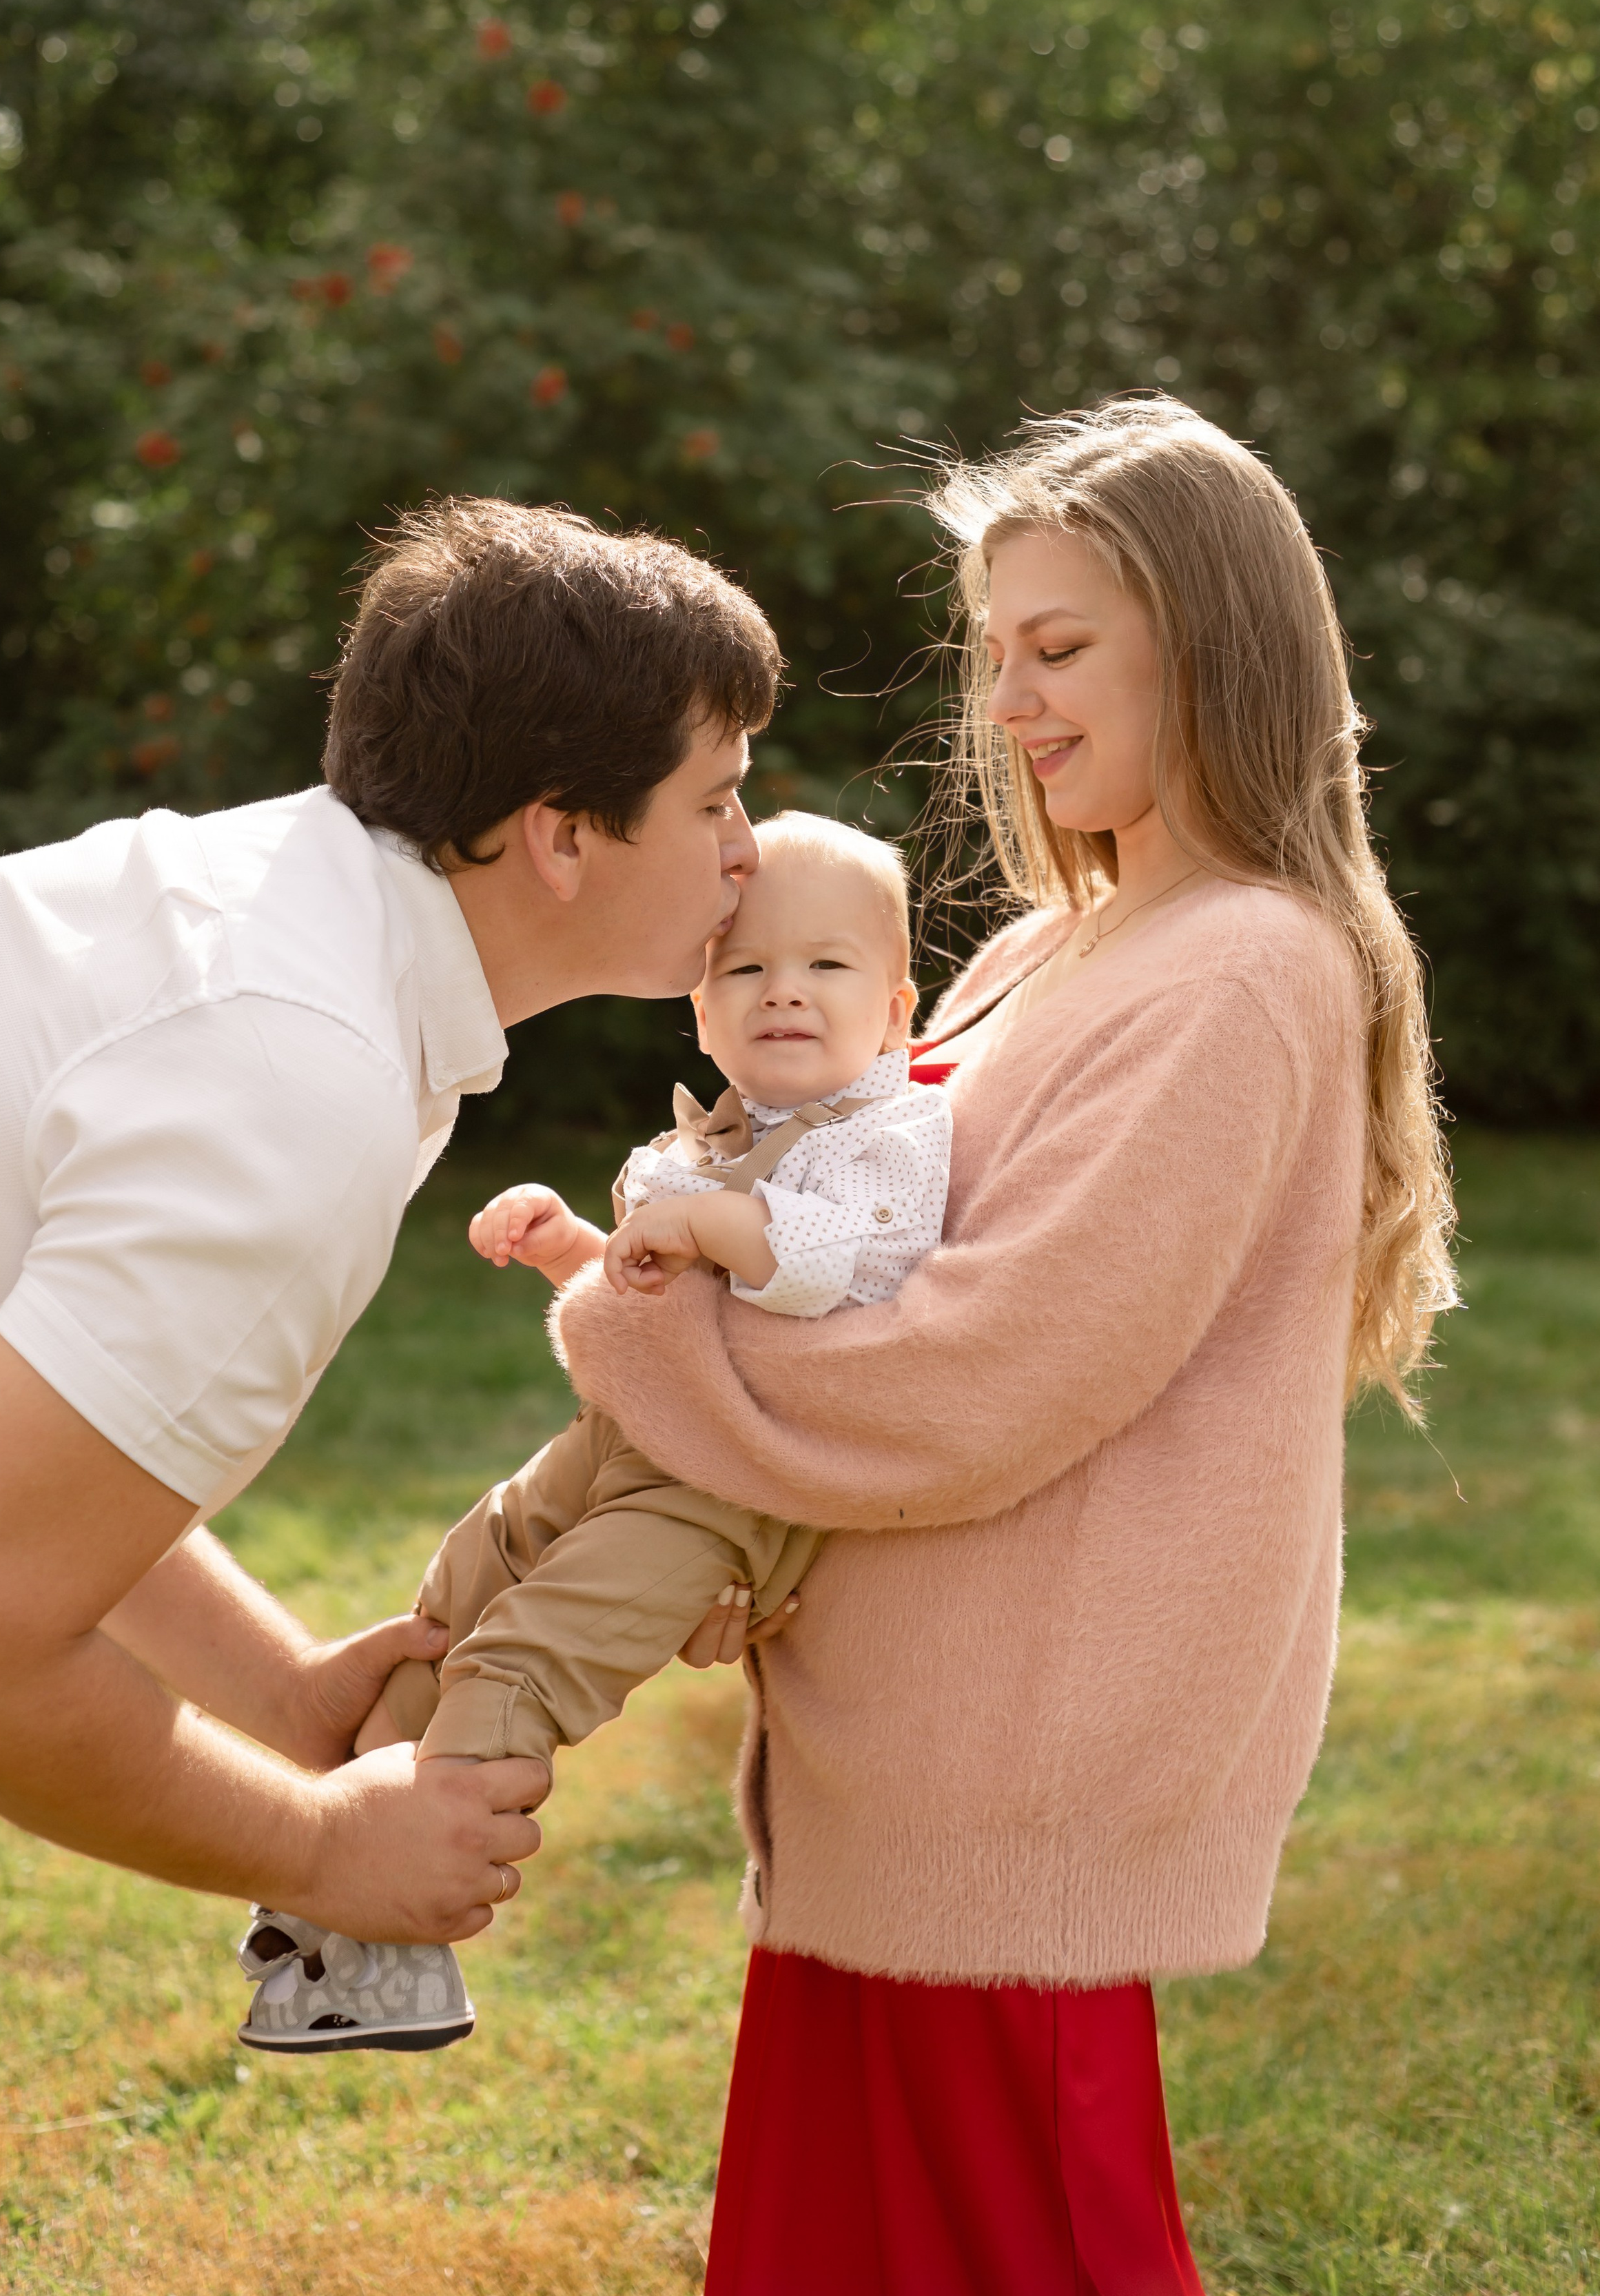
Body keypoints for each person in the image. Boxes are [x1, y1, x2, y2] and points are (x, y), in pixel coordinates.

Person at [553, 398, 1459, 2296]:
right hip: (895, 1754)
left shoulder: (1243, 968)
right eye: (996, 649)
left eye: (1058, 646)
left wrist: (644, 1342)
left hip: (1017, 1780)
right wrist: (746, 1526)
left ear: (1205, 647)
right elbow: (853, 1259)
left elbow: (977, 1374)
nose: (1011, 699)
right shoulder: (1048, 947)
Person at [0, 498, 779, 2294]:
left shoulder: (283, 937)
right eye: (718, 797)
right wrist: (323, 1845)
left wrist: (278, 1692)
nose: (753, 849)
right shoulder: (293, 1069)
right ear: (561, 833)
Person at [233, 810, 949, 2054]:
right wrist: (575, 1246)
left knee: (523, 1661)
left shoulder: (889, 1141)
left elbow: (825, 1263)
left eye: (825, 966)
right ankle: (334, 1861)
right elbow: (656, 1301)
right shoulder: (717, 1137)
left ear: (895, 1013)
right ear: (704, 1012)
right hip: (622, 1441)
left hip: (722, 1489)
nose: (784, 990)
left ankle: (403, 1943)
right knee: (458, 1597)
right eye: (745, 967)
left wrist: (705, 1226)